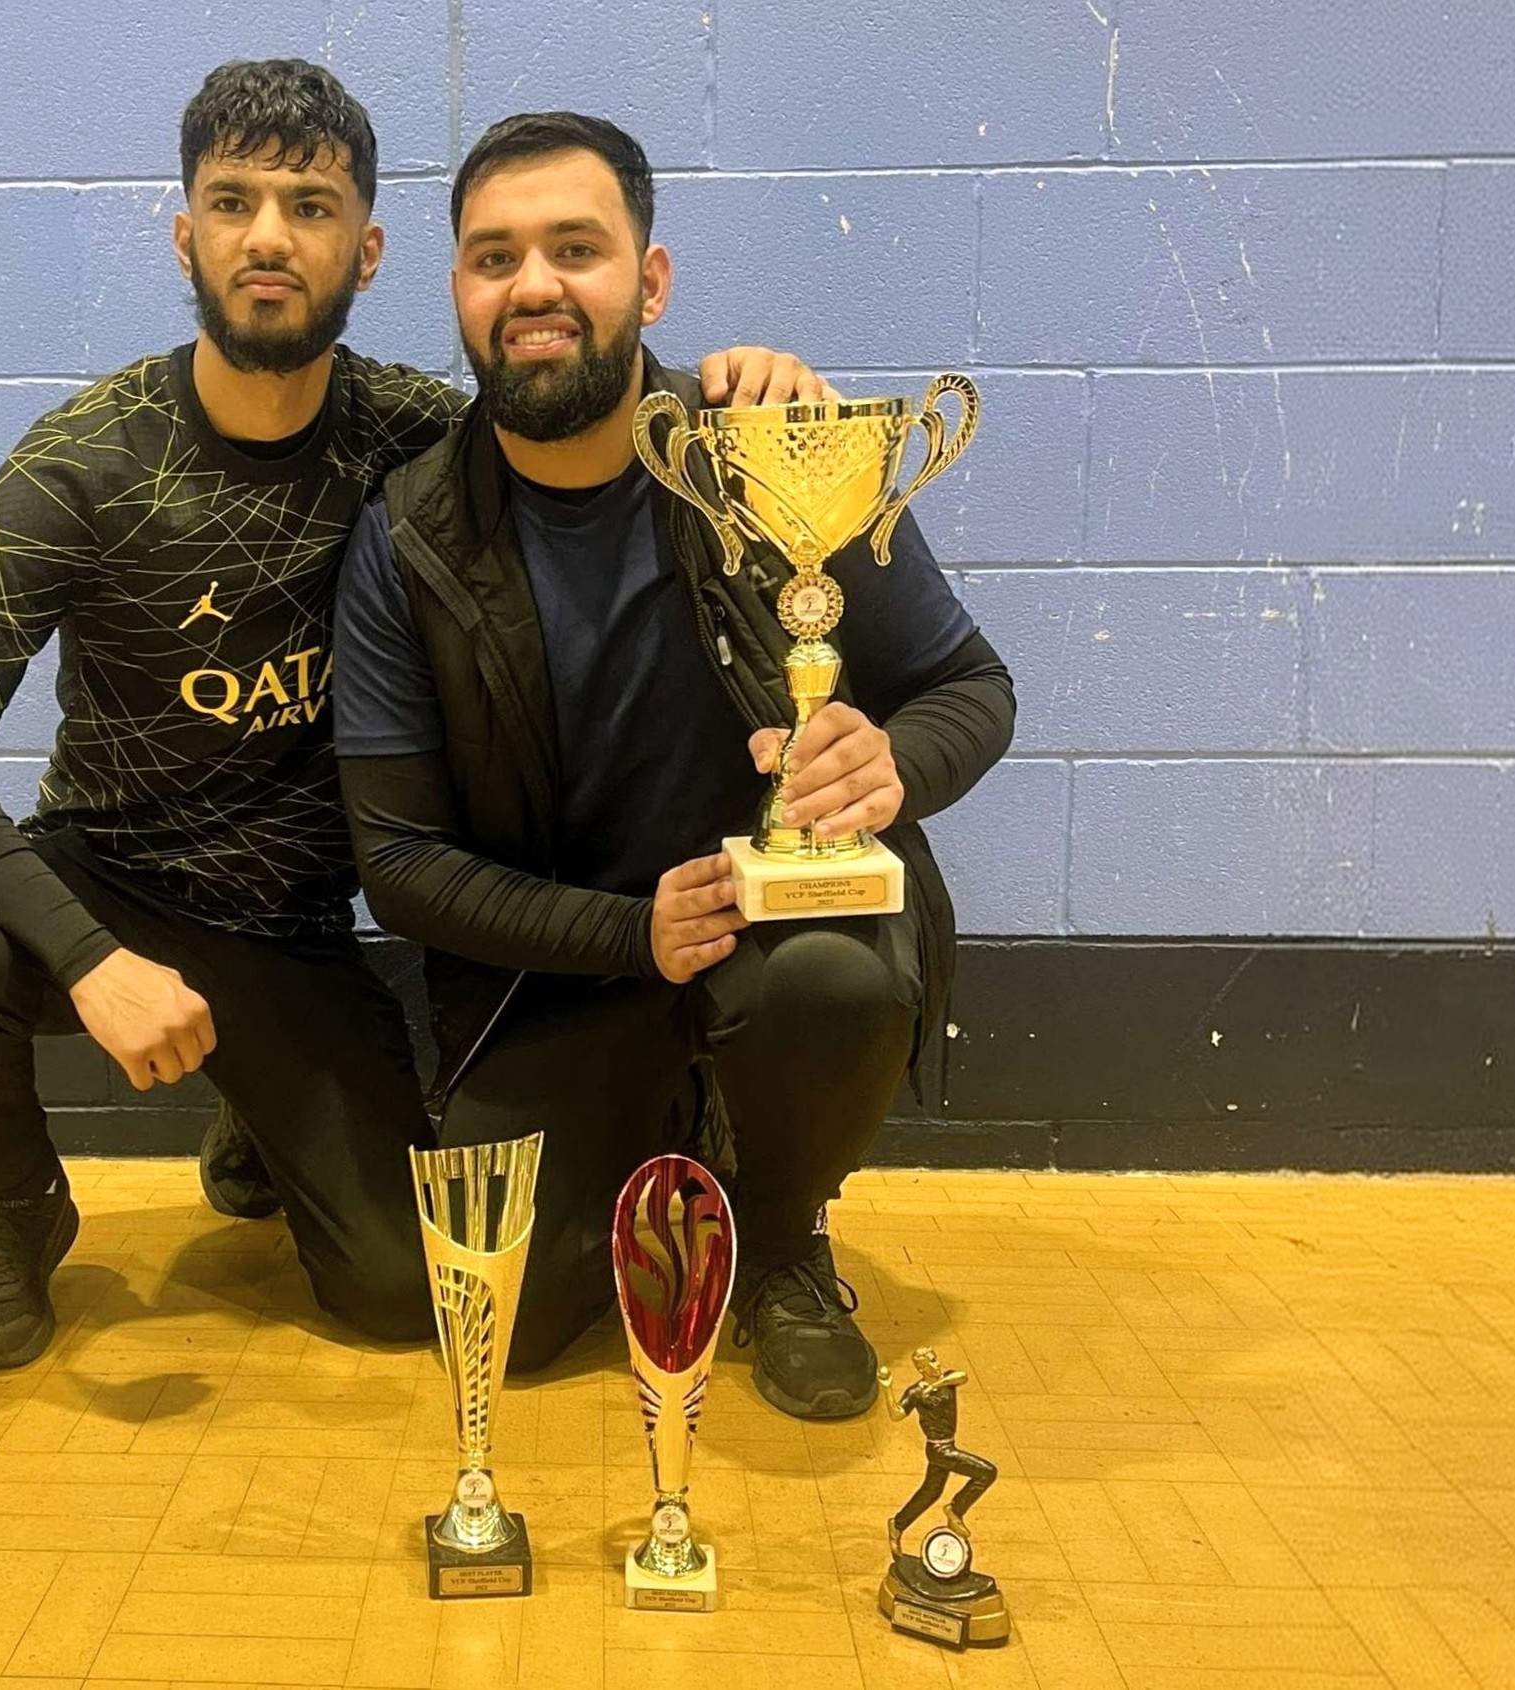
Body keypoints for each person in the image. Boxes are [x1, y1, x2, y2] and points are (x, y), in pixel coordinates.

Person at [0, 61, 828, 1369]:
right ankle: (17, 1207)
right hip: (110, 883)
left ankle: (267, 1111)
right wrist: (92, 959)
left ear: (366, 253)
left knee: (399, 1298)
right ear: (187, 236)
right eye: (234, 200)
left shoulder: (415, 436)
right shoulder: (75, 466)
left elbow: (585, 412)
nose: (269, 234)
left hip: (300, 933)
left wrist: (737, 389)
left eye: (309, 206)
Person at [333, 112, 1017, 1418]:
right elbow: (402, 864)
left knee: (825, 980)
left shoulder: (775, 447)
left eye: (574, 248)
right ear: (462, 293)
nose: (532, 284)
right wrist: (630, 932)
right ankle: (674, 1118)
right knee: (514, 1323)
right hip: (568, 964)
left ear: (649, 282)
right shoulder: (407, 535)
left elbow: (971, 689)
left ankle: (780, 1235)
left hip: (776, 941)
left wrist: (891, 763)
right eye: (493, 257)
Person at [879, 1349, 997, 1554]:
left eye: (935, 1359)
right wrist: (887, 1388)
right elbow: (897, 1414)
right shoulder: (916, 1392)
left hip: (949, 1444)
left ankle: (897, 1524)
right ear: (921, 1368)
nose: (937, 1363)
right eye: (931, 1361)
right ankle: (955, 1509)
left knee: (930, 1492)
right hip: (938, 1449)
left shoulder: (947, 1380)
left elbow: (963, 1376)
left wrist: (935, 1384)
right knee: (987, 1472)